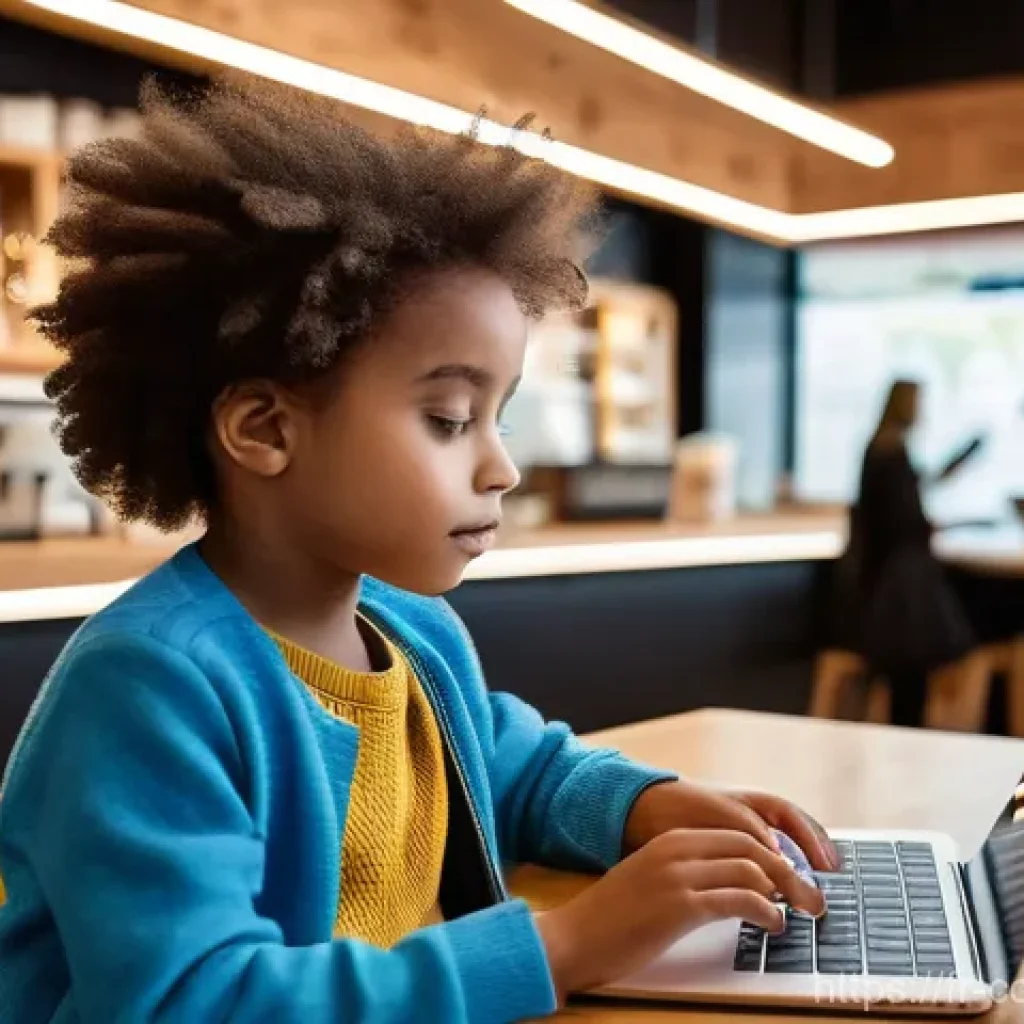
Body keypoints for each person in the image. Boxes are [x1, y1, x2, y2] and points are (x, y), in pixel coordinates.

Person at [0, 78, 836, 1023]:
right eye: (448, 419)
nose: (504, 467)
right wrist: (564, 944)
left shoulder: (410, 633)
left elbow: (514, 772)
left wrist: (647, 808)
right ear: (265, 429)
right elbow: (193, 1001)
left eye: (499, 415)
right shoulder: (151, 687)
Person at [832, 379, 978, 727]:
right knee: (916, 675)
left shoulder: (878, 451)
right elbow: (906, 521)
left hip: (879, 590)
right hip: (902, 597)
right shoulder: (893, 455)